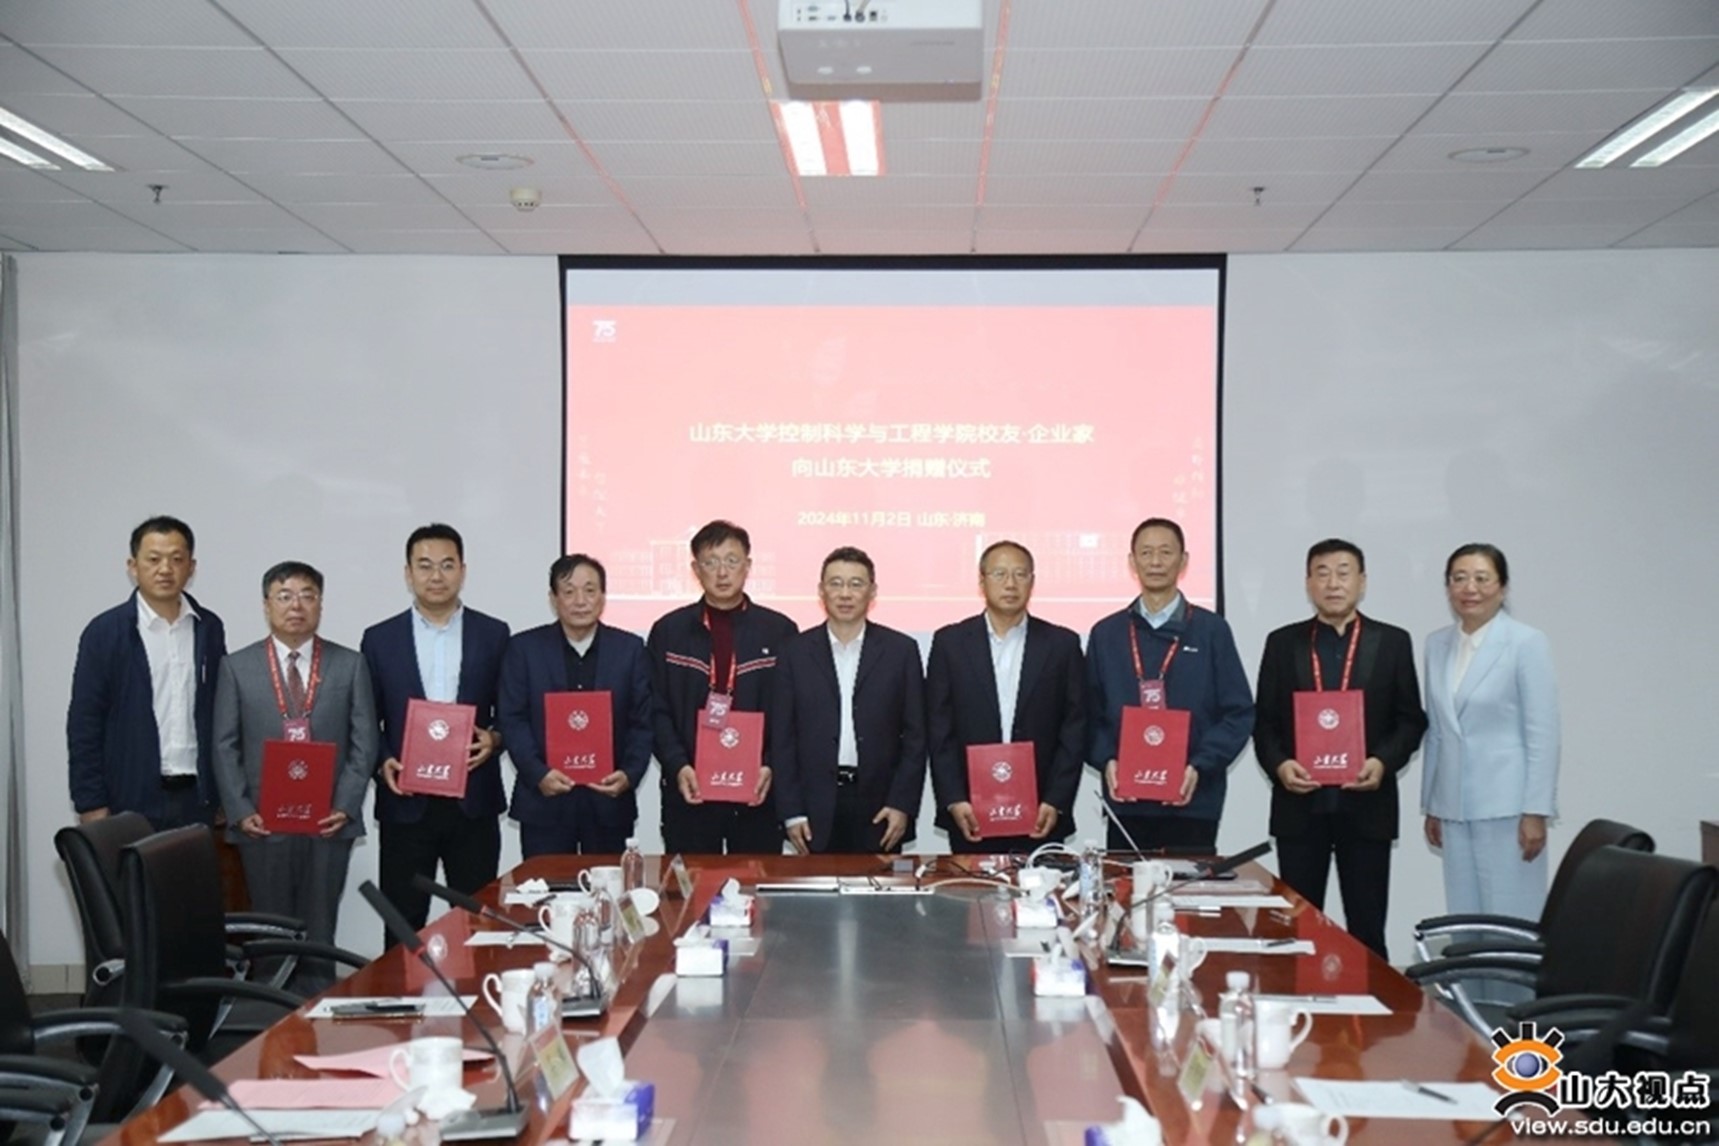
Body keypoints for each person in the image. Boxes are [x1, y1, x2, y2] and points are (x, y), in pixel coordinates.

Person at [1252, 539, 1427, 958]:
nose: (1333, 583)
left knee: (1367, 932)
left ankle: (1371, 1003)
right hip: (1300, 809)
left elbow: (1410, 720)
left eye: (1344, 573)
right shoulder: (1282, 643)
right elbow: (1264, 723)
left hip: (1367, 808)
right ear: (1308, 583)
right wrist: (1281, 766)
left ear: (1362, 582)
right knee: (1297, 932)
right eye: (1323, 573)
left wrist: (1382, 762)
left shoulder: (1392, 642)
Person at [211, 562, 377, 974]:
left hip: (328, 821)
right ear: (266, 605)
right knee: (269, 930)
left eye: (307, 595)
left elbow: (364, 742)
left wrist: (345, 805)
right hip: (262, 823)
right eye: (284, 596)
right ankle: (271, 1006)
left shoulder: (350, 664)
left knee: (320, 930)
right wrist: (241, 810)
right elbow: (224, 744)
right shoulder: (236, 667)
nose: (296, 606)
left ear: (320, 604)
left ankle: (318, 1002)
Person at [361, 524, 510, 940]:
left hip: (472, 801)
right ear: (408, 573)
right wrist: (382, 760)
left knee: (478, 925)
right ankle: (403, 987)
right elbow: (366, 718)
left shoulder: (494, 634)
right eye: (424, 566)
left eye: (447, 565)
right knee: (402, 927)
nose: (436, 576)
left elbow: (512, 711)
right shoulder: (380, 639)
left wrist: (495, 738)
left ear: (463, 570)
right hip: (407, 803)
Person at [1085, 518, 1253, 854]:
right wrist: (1107, 760)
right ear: (1132, 562)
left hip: (1193, 799)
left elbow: (1238, 713)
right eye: (1146, 553)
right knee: (1125, 887)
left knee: (1189, 888)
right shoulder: (1106, 633)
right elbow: (1088, 714)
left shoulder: (1212, 630)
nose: (1156, 562)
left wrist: (1200, 765)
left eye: (1165, 552)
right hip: (1127, 802)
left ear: (1184, 560)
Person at [1422, 543, 1560, 920]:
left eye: (1482, 579)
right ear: (1448, 587)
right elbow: (1437, 731)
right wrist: (1433, 804)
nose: (1470, 588)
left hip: (1508, 809)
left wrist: (1536, 810)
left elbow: (1543, 733)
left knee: (1510, 920)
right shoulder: (1437, 645)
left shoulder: (1525, 642)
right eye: (1459, 578)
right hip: (1453, 808)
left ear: (1502, 587)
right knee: (1465, 919)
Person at [67, 515, 228, 831]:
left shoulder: (209, 627)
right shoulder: (105, 632)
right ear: (133, 566)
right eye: (153, 559)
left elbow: (221, 713)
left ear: (191, 567)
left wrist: (224, 793)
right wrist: (90, 801)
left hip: (197, 798)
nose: (165, 569)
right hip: (128, 798)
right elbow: (85, 722)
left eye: (176, 559)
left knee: (195, 867)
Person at [647, 520, 798, 854]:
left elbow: (790, 713)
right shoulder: (669, 631)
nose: (722, 572)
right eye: (711, 562)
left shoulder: (780, 631)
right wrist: (677, 765)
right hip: (690, 789)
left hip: (758, 789)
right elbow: (656, 709)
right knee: (693, 883)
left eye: (732, 561)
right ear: (695, 569)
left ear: (748, 566)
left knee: (756, 883)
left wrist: (770, 764)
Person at [926, 540, 1085, 853]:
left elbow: (1075, 727)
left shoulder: (1062, 644)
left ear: (1032, 581)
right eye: (999, 574)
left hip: (1041, 811)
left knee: (1040, 884)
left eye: (1020, 574)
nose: (1010, 584)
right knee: (971, 885)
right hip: (971, 811)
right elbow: (939, 728)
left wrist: (1056, 799)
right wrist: (954, 798)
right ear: (982, 581)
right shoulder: (950, 643)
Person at [772, 547, 927, 855]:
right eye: (836, 583)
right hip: (812, 808)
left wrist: (901, 803)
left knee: (879, 887)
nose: (845, 594)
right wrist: (792, 810)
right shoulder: (794, 652)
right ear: (821, 590)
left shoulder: (901, 651)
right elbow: (782, 738)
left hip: (880, 807)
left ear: (873, 591)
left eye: (856, 584)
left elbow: (915, 737)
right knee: (814, 887)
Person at [498, 554, 653, 856]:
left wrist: (629, 774)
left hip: (609, 803)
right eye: (569, 591)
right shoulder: (524, 649)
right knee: (545, 885)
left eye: (590, 590)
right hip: (544, 804)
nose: (580, 601)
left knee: (609, 885)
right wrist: (538, 773)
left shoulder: (629, 650)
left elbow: (642, 722)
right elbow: (512, 718)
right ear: (553, 599)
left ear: (603, 596)